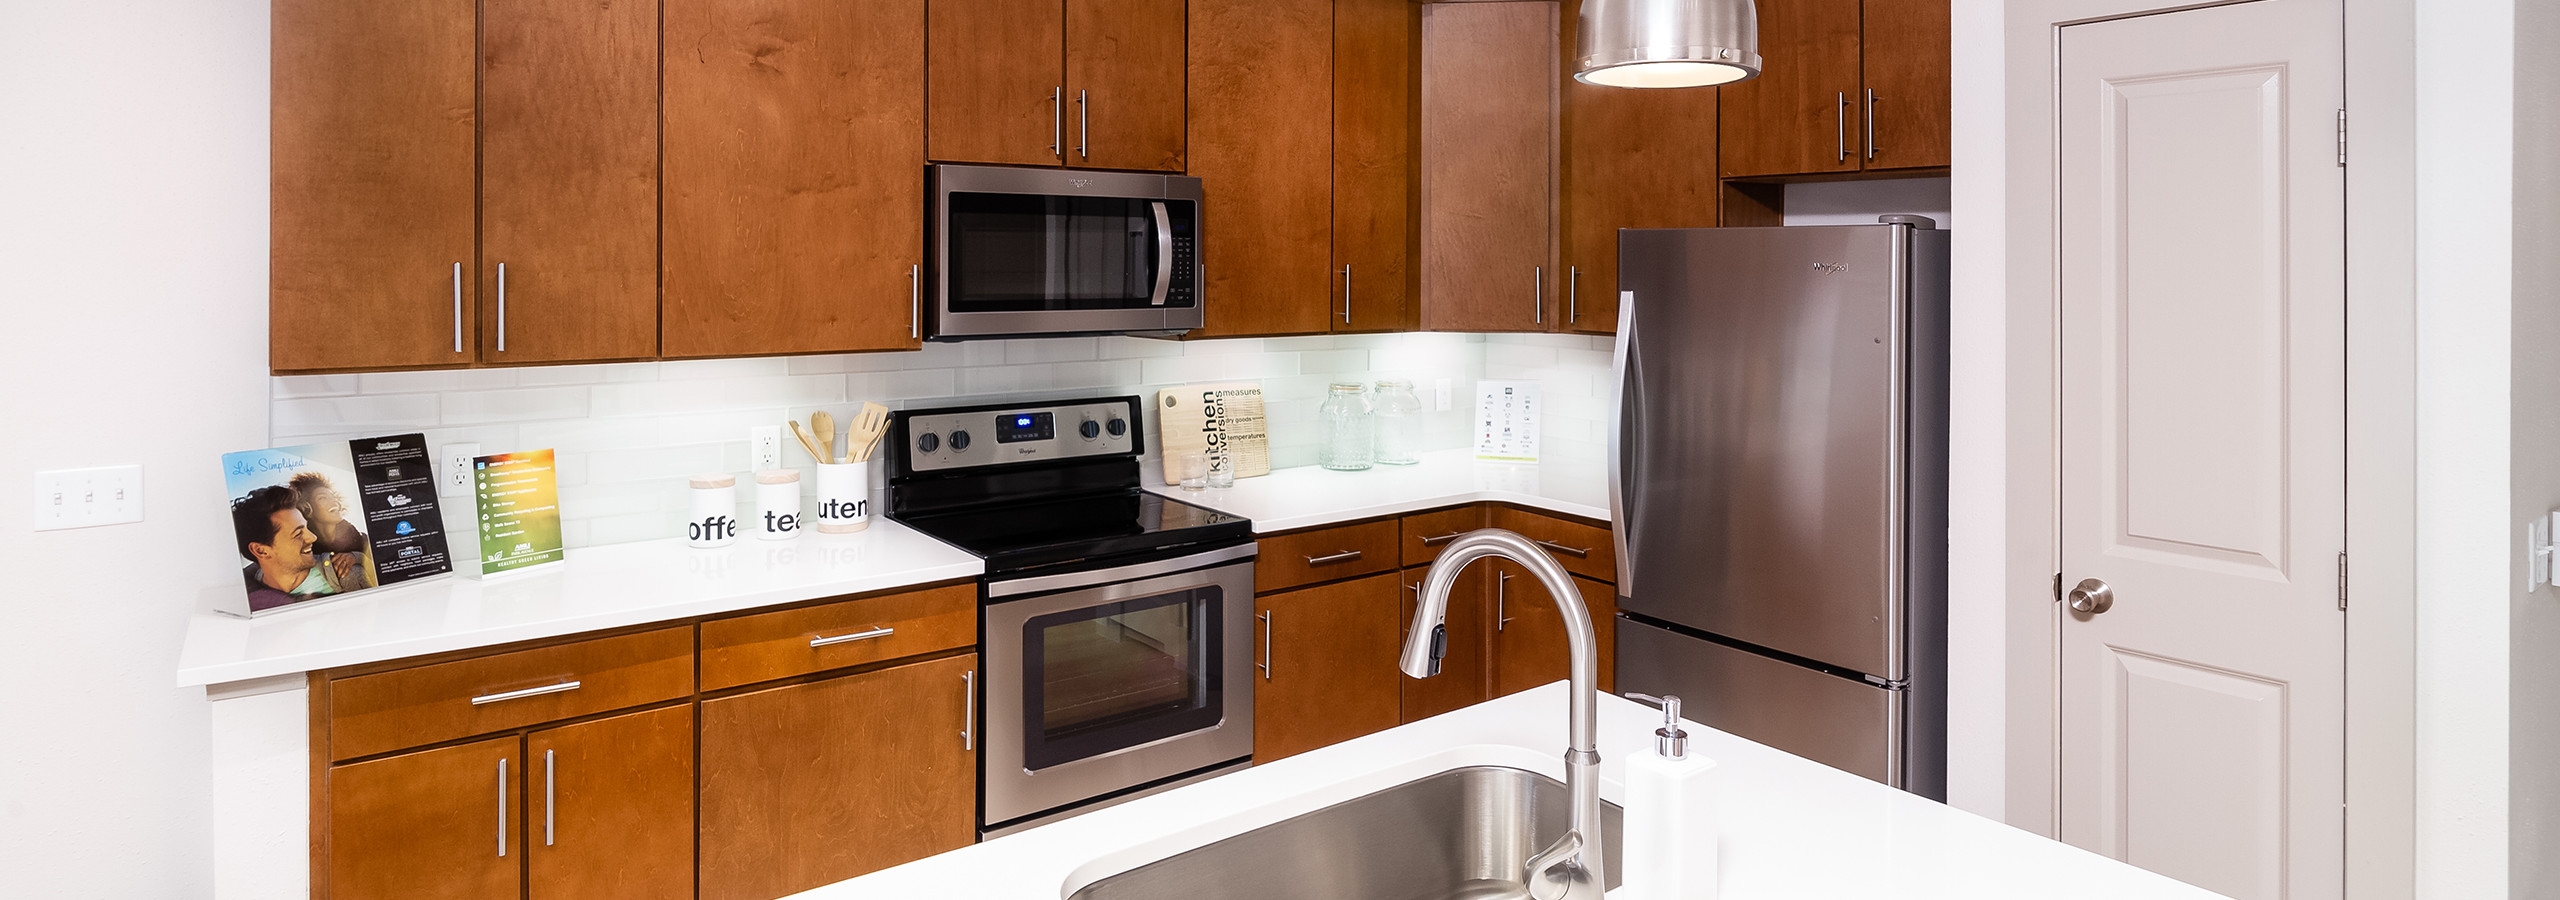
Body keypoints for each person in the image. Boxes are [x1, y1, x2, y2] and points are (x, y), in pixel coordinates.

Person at [232, 485, 330, 611]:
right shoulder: (246, 596)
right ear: (261, 550)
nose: (313, 537)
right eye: (298, 534)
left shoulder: (346, 576)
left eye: (307, 528)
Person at [290, 471, 374, 591]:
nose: (335, 502)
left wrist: (357, 557)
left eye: (333, 497)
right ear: (307, 508)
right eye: (322, 498)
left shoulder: (358, 537)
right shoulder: (303, 545)